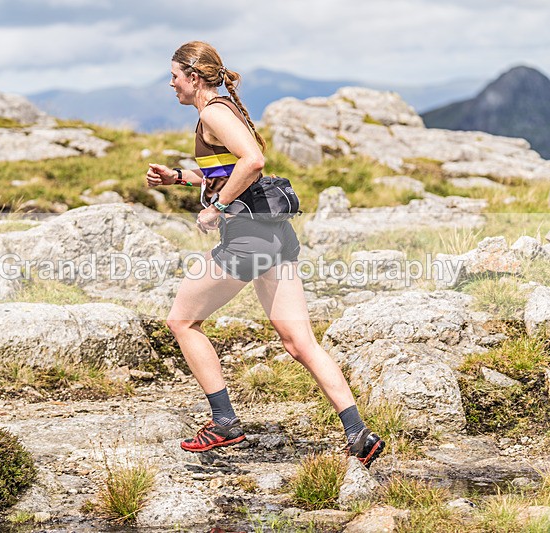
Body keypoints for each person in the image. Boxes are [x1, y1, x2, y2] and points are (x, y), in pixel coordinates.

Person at [146, 41, 385, 467]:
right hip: (276, 237)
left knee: (182, 321)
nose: (171, 84)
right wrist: (181, 177)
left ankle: (224, 422)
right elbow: (228, 169)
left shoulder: (212, 112)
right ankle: (358, 433)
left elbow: (253, 161)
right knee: (300, 342)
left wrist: (216, 209)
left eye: (176, 76)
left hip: (247, 240)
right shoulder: (224, 108)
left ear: (194, 77)